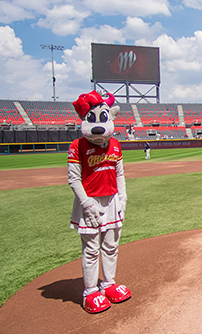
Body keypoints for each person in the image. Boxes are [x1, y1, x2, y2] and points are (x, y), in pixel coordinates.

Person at [68, 91, 132, 314]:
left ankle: (109, 284)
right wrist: (86, 204)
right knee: (91, 248)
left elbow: (120, 174)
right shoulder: (77, 145)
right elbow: (74, 179)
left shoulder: (115, 144)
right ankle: (90, 291)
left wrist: (123, 198)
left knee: (111, 246)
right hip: (90, 202)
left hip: (112, 200)